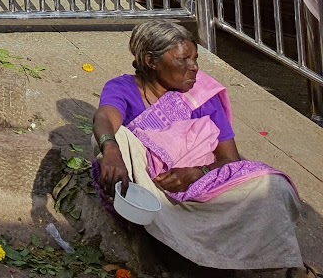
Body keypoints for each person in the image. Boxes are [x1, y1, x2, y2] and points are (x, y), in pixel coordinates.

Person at [92, 21, 308, 274]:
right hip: (152, 191)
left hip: (204, 190)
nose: (194, 67)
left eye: (195, 58)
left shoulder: (203, 94)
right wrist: (112, 150)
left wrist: (197, 173)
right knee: (110, 138)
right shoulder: (123, 88)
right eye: (183, 59)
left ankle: (247, 255)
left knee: (274, 186)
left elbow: (230, 160)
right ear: (151, 61)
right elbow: (105, 117)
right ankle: (163, 240)